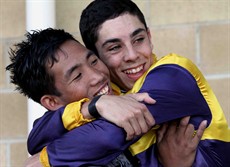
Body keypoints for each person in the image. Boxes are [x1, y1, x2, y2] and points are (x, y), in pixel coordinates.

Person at [24, 0, 229, 167]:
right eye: (114, 47)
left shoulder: (174, 74)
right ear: (98, 55)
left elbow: (109, 135)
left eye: (138, 39)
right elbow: (37, 136)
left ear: (149, 36)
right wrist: (91, 107)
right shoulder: (110, 95)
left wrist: (45, 160)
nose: (132, 55)